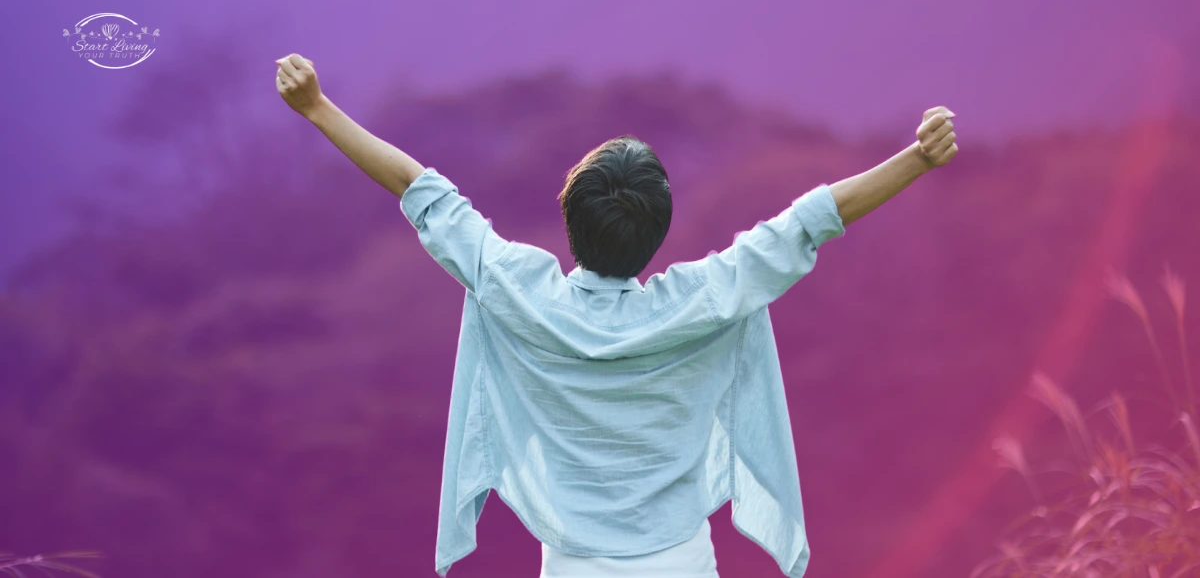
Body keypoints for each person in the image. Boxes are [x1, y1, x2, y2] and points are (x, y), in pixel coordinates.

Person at [275, 53, 958, 578]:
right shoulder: (702, 300)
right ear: (657, 230)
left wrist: (317, 108)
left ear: (570, 218)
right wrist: (918, 158)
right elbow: (808, 225)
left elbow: (420, 190)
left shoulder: (521, 292)